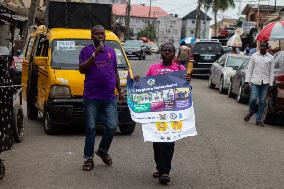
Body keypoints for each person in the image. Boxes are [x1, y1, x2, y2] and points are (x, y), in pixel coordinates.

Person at [134, 43, 191, 185]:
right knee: (157, 141)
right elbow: (145, 85)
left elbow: (185, 90)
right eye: (164, 50)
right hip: (155, 111)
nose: (167, 52)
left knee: (169, 141)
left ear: (174, 54)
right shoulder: (154, 68)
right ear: (161, 53)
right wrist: (136, 80)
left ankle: (165, 172)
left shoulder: (180, 69)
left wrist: (187, 82)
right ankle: (160, 167)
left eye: (170, 51)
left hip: (172, 111)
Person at [79, 25, 124, 171]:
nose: (100, 36)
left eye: (102, 34)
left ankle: (103, 151)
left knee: (112, 126)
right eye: (97, 34)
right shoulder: (86, 51)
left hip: (109, 97)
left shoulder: (111, 51)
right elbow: (82, 69)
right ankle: (88, 159)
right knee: (91, 128)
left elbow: (115, 71)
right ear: (92, 36)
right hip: (91, 96)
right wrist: (95, 54)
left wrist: (120, 90)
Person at [244, 41, 274, 127]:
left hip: (265, 82)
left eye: (264, 46)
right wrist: (246, 81)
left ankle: (258, 119)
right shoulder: (254, 56)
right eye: (261, 46)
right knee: (253, 99)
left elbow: (271, 71)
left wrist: (271, 84)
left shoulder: (271, 58)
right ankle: (251, 111)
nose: (262, 47)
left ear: (267, 48)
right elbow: (250, 69)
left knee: (262, 101)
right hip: (254, 81)